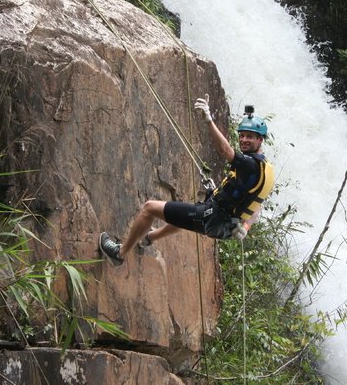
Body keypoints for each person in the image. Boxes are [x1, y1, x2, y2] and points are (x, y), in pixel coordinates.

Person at [99, 94, 275, 267]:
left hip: (213, 218)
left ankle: (119, 254)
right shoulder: (265, 168)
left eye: (250, 137)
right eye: (242, 135)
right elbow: (256, 206)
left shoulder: (249, 164)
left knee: (149, 208)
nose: (244, 140)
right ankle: (148, 238)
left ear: (260, 140)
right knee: (184, 215)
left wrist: (208, 120)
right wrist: (245, 226)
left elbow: (224, 150)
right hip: (226, 224)